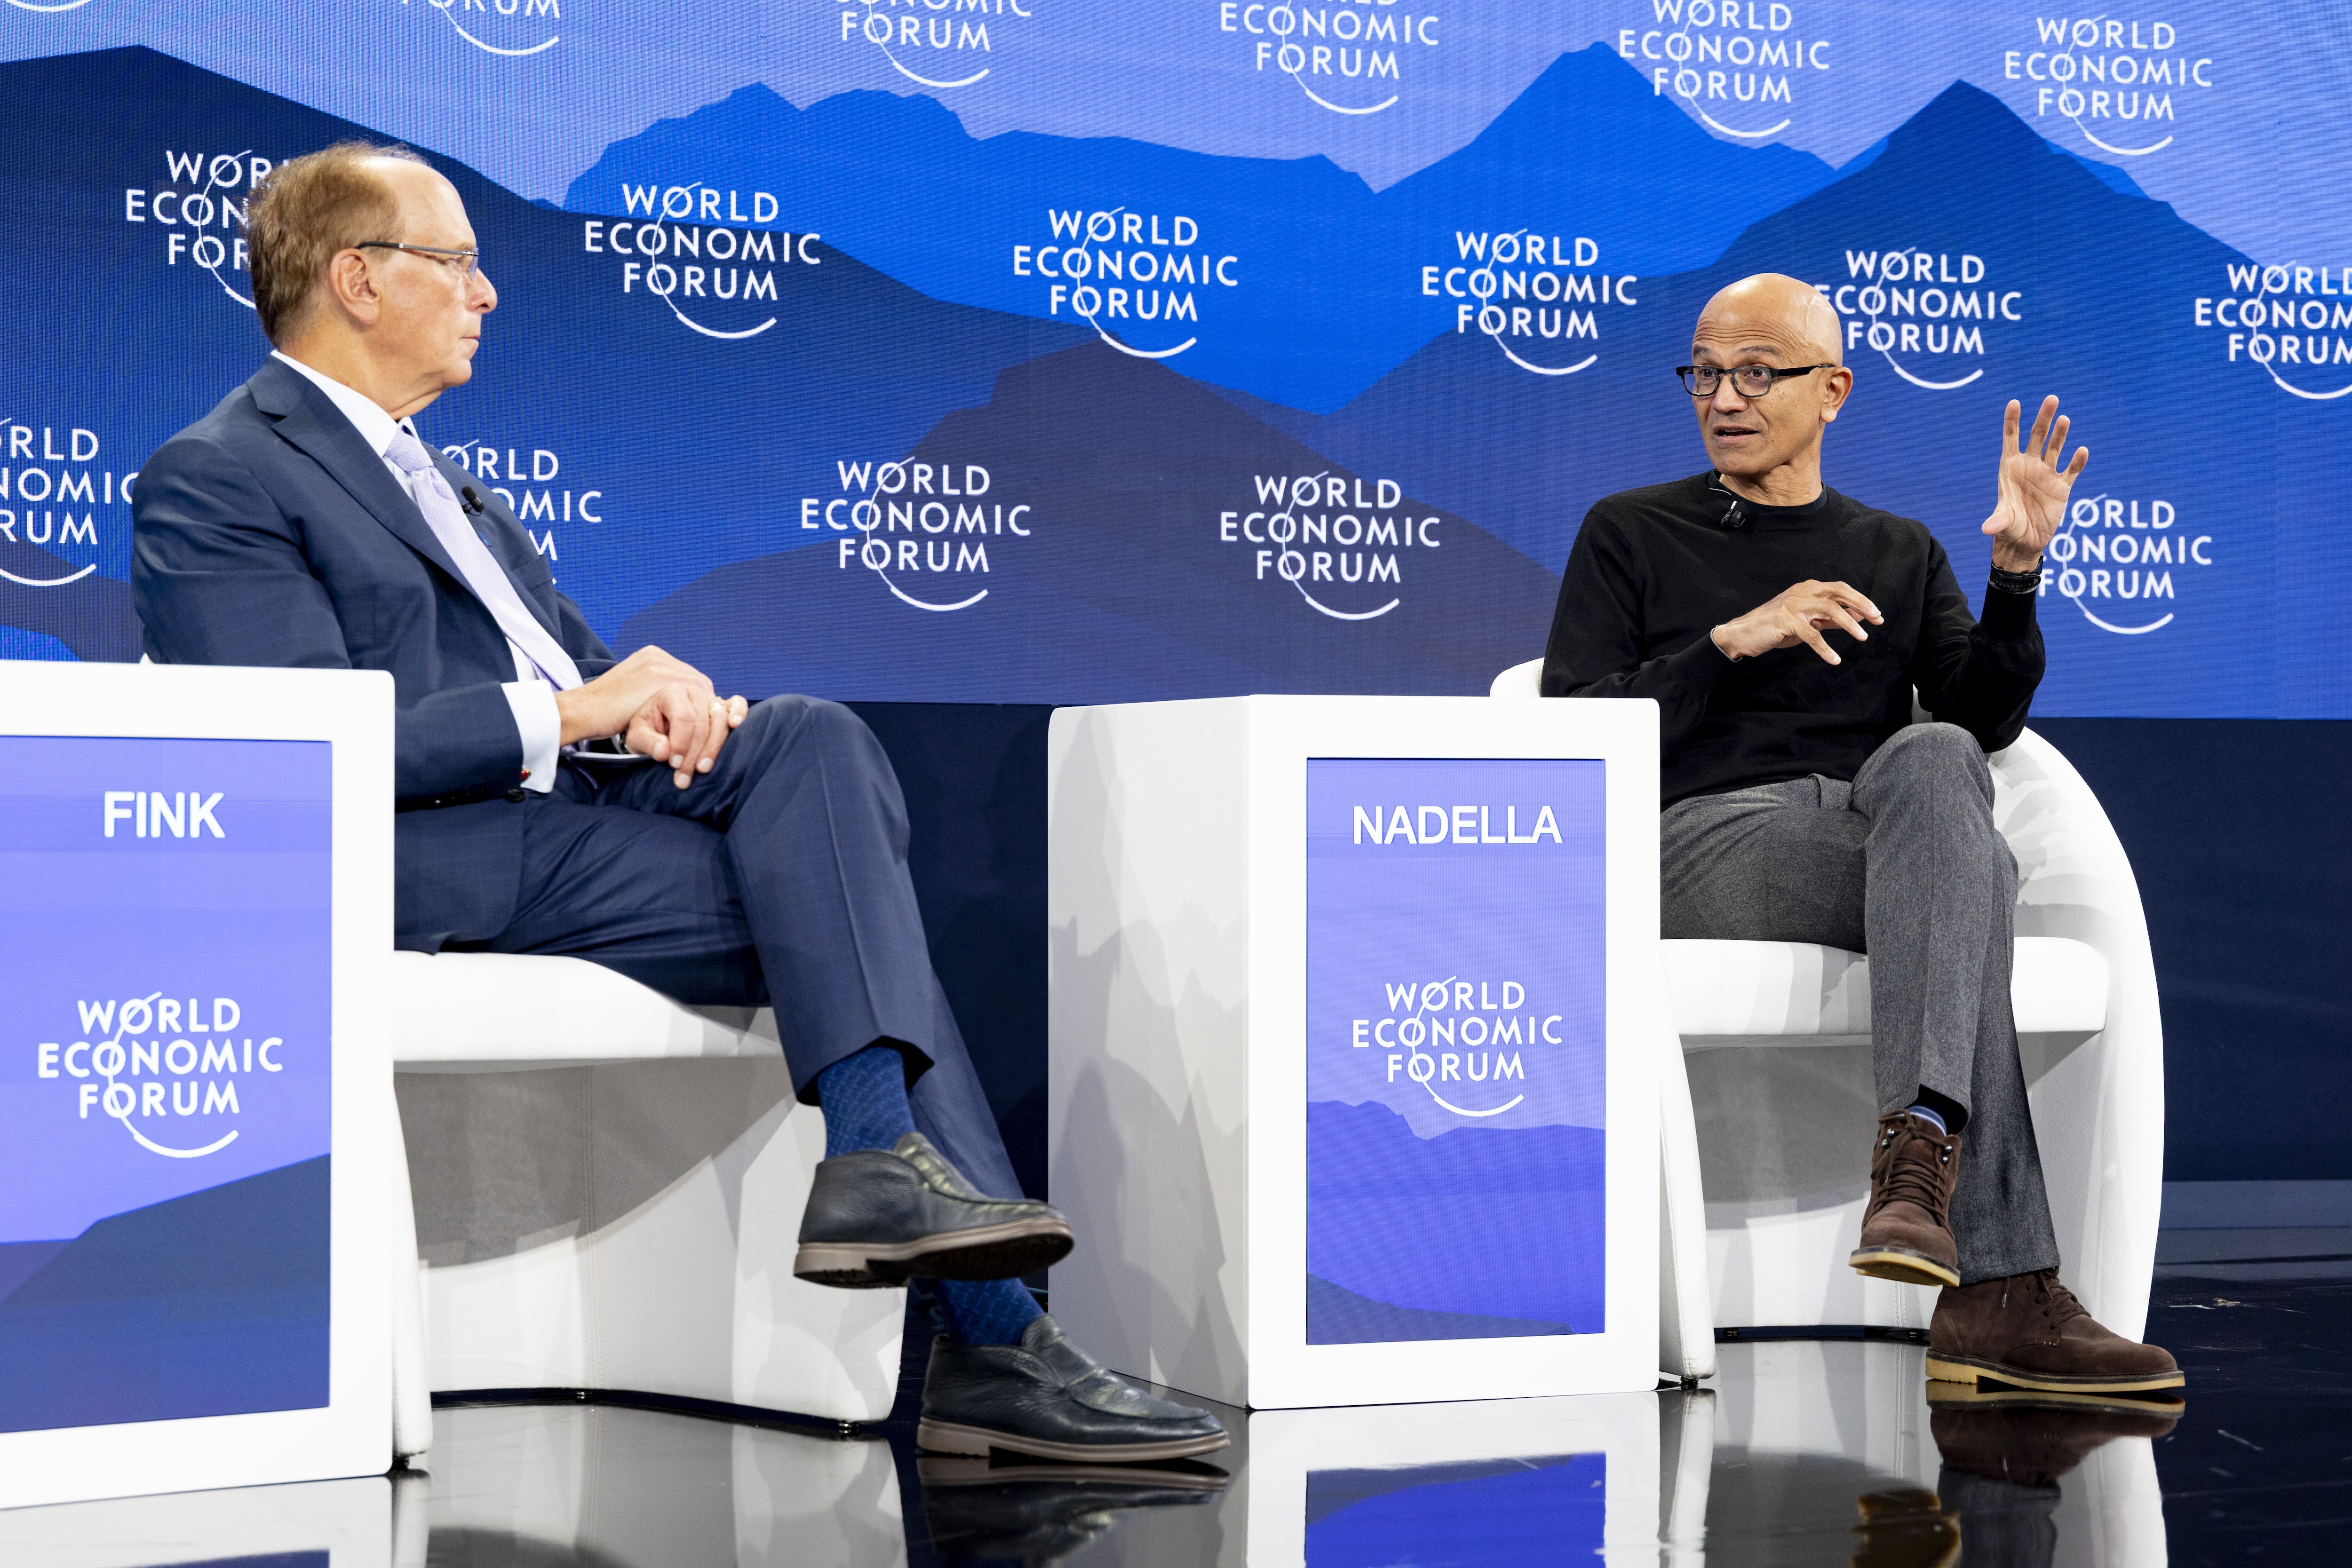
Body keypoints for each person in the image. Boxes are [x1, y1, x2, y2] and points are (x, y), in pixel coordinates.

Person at [131, 141, 1227, 1464]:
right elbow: (309, 748)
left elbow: (576, 677)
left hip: (572, 820)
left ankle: (890, 1193)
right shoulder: (221, 475)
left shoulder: (441, 480)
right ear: (357, 279)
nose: (489, 294)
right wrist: (573, 711)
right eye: (460, 262)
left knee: (806, 737)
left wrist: (649, 707)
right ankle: (992, 1339)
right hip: (429, 855)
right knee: (830, 896)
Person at [1541, 272, 2180, 1397]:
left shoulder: (1894, 548)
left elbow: (1984, 720)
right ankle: (2000, 1289)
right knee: (1970, 872)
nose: (1723, 397)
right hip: (1697, 838)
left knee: (1937, 763)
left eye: (1755, 372)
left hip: (1875, 826)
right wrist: (1727, 644)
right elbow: (1571, 732)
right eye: (1704, 371)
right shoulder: (1630, 531)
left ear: (1831, 389)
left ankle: (1917, 1158)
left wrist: (2017, 575)